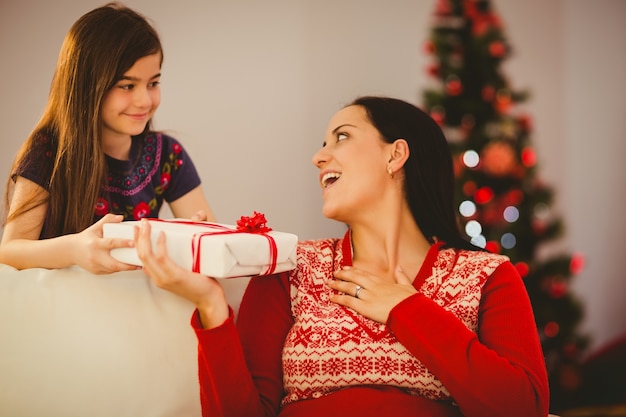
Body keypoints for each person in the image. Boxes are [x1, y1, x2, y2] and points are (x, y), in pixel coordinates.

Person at [134, 96, 550, 416]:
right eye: (323, 144)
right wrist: (210, 304)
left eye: (343, 137)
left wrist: (407, 309)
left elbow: (523, 407)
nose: (319, 157)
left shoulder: (488, 276)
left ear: (395, 155)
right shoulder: (287, 267)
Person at [0, 2, 215, 274]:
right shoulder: (48, 153)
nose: (144, 100)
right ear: (88, 87)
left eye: (153, 83)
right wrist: (75, 250)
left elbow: (209, 236)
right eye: (127, 85)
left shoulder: (168, 155)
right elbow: (9, 252)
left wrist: (192, 238)